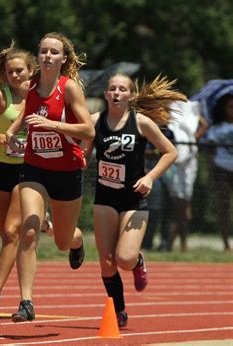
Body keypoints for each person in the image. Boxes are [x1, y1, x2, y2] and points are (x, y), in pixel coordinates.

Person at [82, 74, 184, 328]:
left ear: (130, 96)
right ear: (106, 95)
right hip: (105, 197)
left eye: (122, 89)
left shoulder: (141, 123)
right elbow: (83, 155)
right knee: (107, 263)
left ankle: (138, 261)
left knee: (124, 259)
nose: (116, 93)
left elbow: (170, 152)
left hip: (133, 199)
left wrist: (150, 177)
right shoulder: (94, 122)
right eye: (112, 89)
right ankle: (118, 310)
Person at [5, 32, 94, 322]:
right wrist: (13, 130)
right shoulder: (30, 87)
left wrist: (52, 125)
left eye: (53, 52)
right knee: (29, 229)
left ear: (63, 59)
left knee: (62, 240)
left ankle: (77, 240)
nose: (46, 56)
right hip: (34, 167)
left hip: (66, 171)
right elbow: (27, 115)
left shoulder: (69, 89)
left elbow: (88, 131)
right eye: (43, 51)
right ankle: (26, 302)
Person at [0, 41, 36, 314]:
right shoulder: (0, 98)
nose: (15, 76)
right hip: (2, 169)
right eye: (10, 72)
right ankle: (61, 231)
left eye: (20, 71)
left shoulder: (40, 98)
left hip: (29, 170)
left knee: (12, 232)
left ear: (30, 70)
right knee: (7, 235)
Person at [167, 100, 208, 251]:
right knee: (180, 206)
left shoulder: (190, 110)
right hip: (176, 162)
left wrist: (192, 139)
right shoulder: (172, 110)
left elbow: (204, 124)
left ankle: (176, 244)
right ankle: (174, 243)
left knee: (182, 207)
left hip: (188, 161)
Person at [204, 93, 233, 252]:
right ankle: (226, 244)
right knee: (223, 208)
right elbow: (210, 149)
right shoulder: (217, 128)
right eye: (230, 107)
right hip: (221, 170)